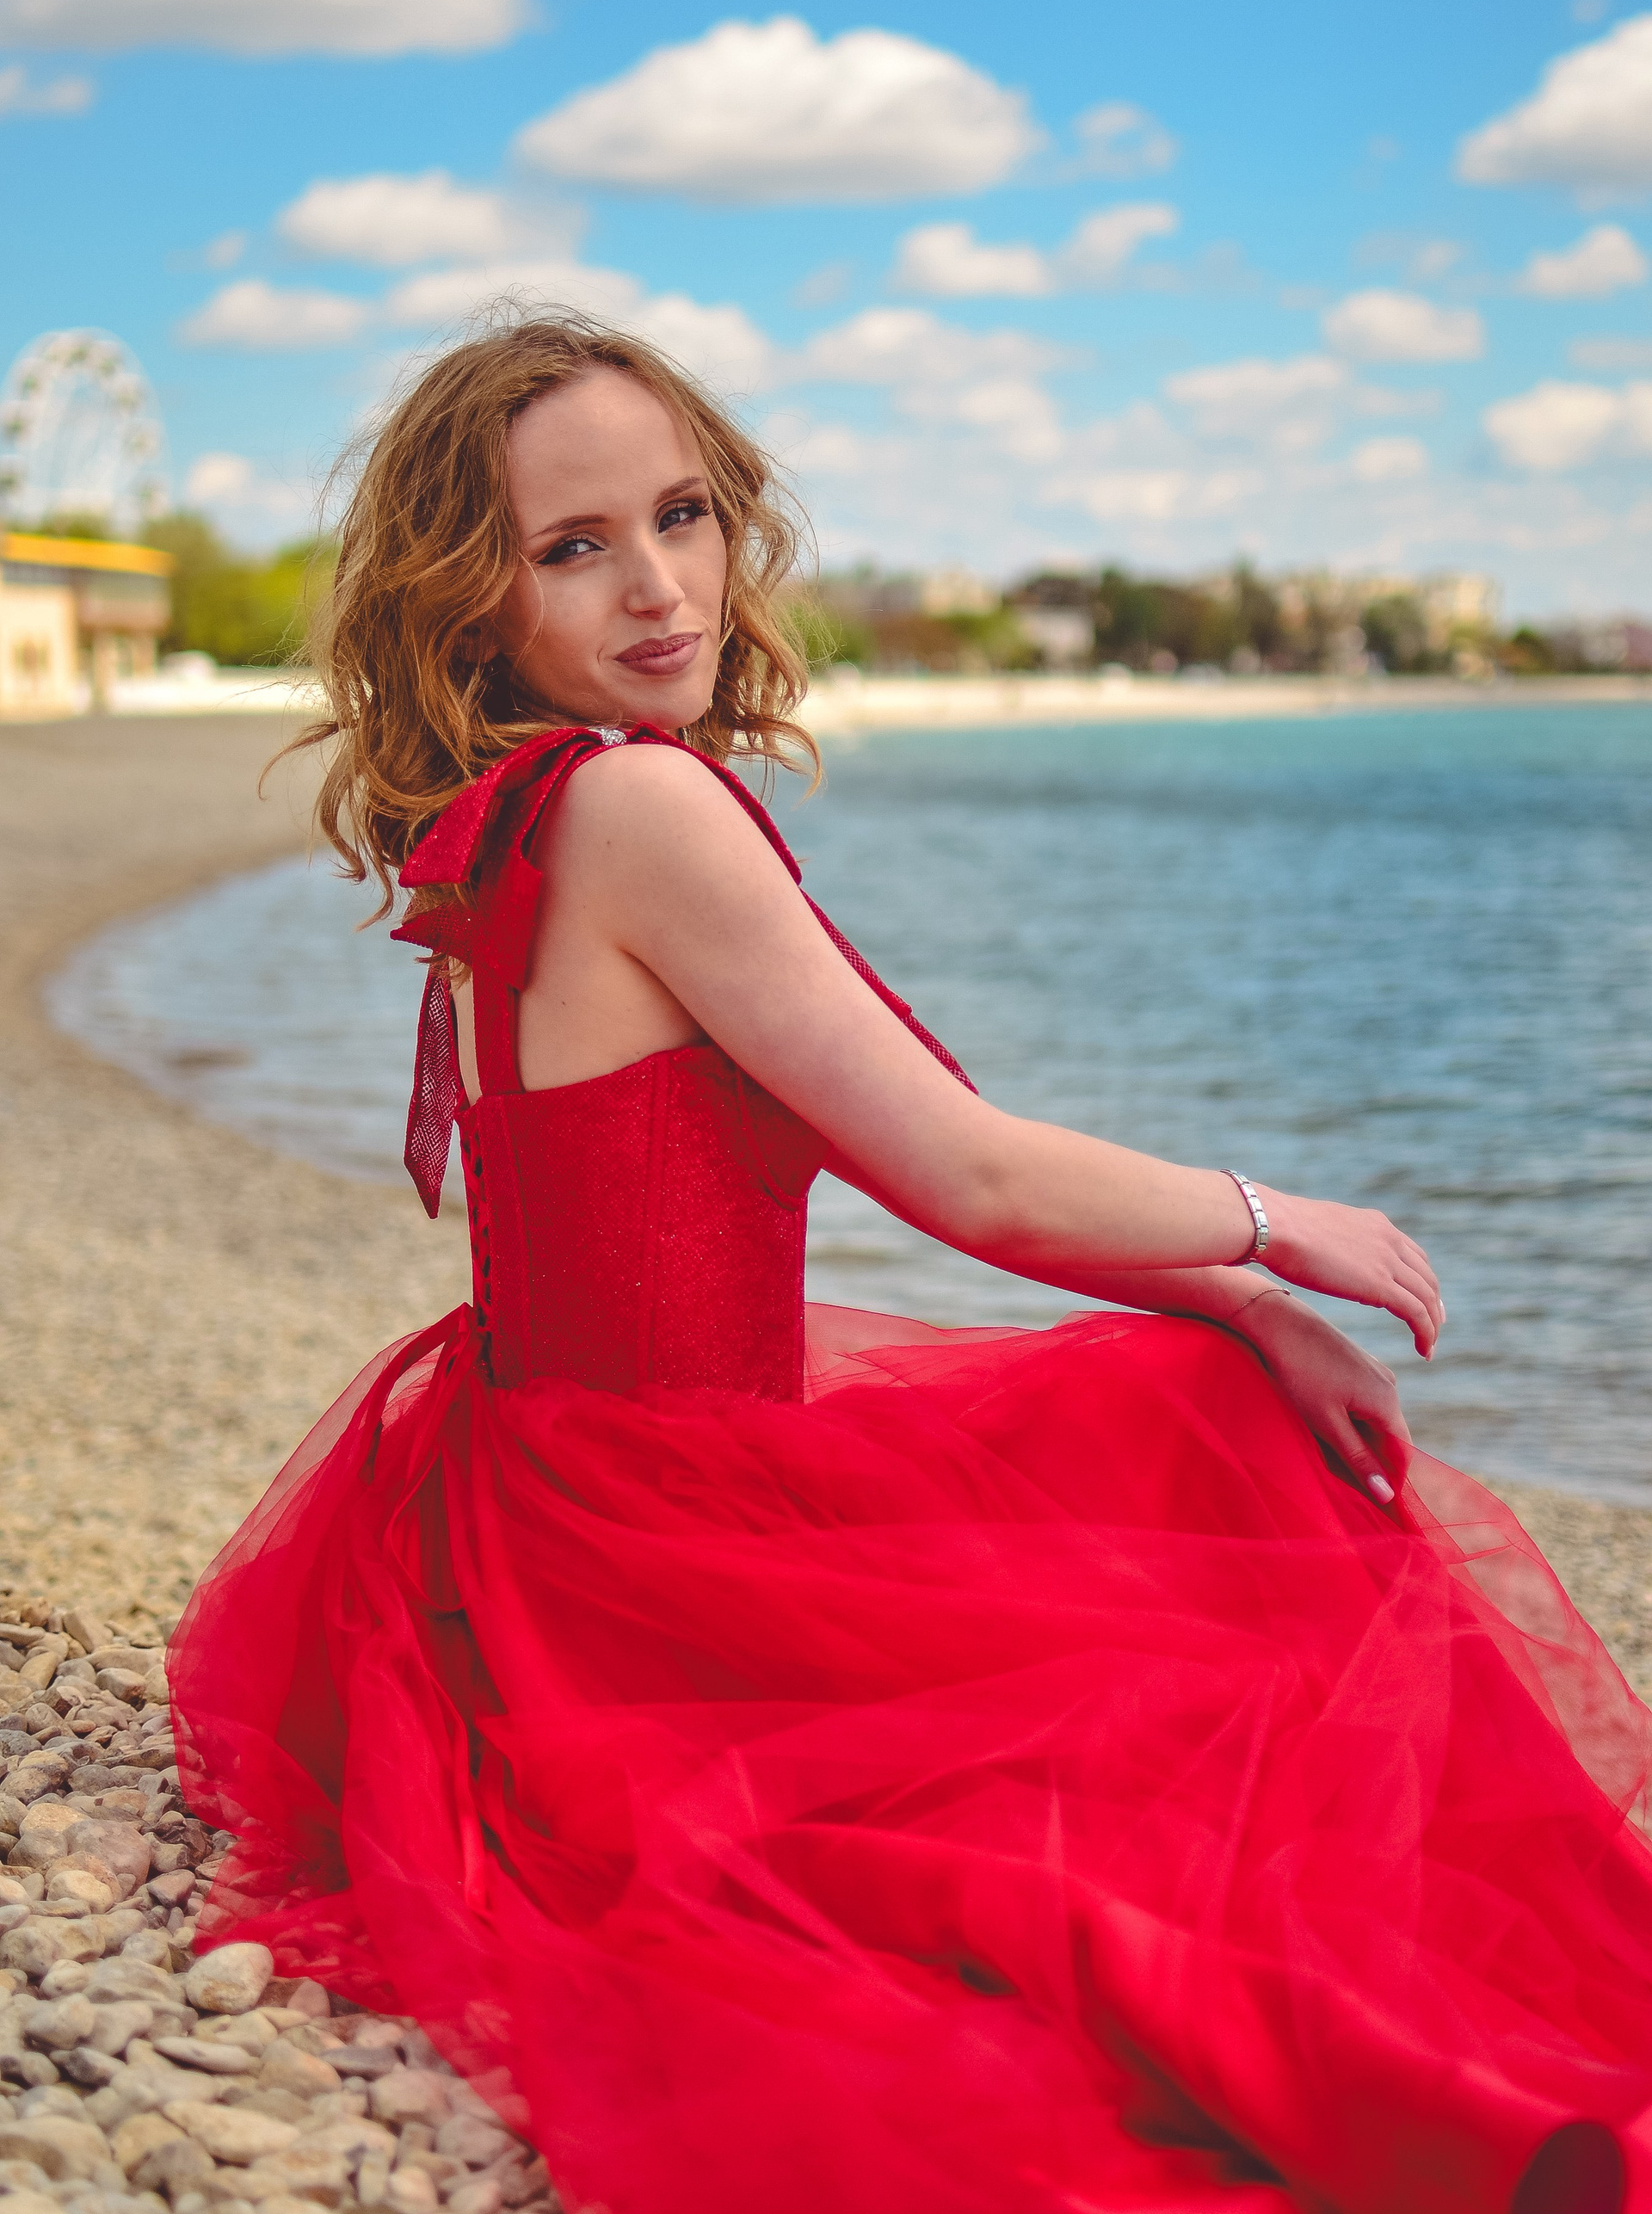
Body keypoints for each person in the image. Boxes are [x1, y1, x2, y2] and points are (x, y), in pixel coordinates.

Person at [171, 312, 1652, 2214]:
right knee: (1203, 1517)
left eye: (683, 515)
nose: (658, 587)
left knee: (1186, 1429)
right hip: (658, 1555)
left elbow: (911, 1139)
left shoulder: (521, 812)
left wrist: (1233, 1299)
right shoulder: (642, 805)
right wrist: (1278, 1224)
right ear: (475, 602)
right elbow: (968, 1173)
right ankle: (1480, 2060)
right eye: (572, 547)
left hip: (520, 1495)